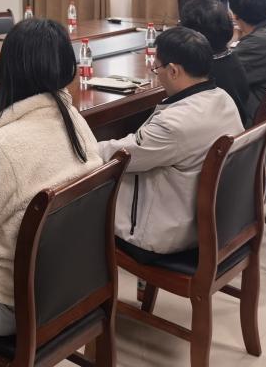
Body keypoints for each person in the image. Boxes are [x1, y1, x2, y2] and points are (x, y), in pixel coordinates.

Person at [0, 19, 103, 335]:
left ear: (9, 70)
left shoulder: (1, 149)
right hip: (69, 284)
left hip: (7, 302)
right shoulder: (74, 119)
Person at [97, 27, 243, 258]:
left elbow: (119, 156)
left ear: (174, 70)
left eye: (157, 68)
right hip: (216, 223)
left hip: (165, 235)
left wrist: (83, 144)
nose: (157, 74)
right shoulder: (224, 99)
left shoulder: (173, 125)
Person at [180, 0, 251, 124]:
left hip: (214, 133)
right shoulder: (231, 57)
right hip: (236, 128)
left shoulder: (202, 74)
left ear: (194, 35)